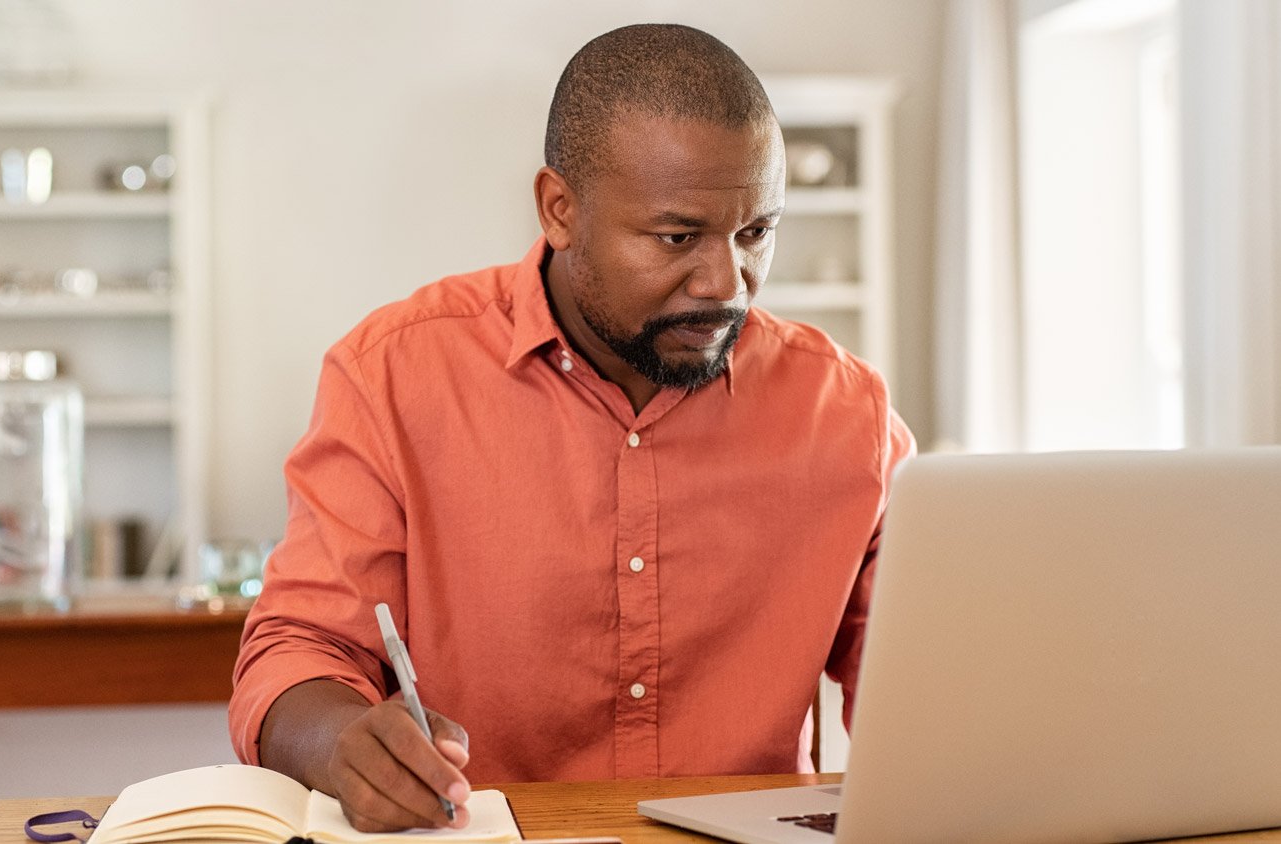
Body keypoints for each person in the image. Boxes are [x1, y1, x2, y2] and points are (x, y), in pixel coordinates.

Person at [229, 23, 915, 833]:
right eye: (677, 236)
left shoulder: (848, 415)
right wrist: (342, 740)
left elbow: (927, 695)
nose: (726, 283)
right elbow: (296, 650)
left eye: (755, 233)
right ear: (559, 209)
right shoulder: (393, 376)